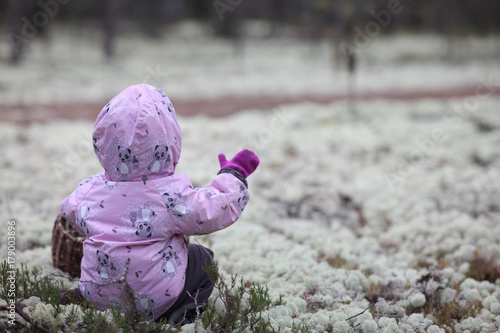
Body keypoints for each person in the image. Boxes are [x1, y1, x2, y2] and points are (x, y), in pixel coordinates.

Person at [60, 84, 259, 324]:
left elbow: (68, 210)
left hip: (98, 297)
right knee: (203, 258)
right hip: (155, 302)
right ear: (169, 140)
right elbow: (213, 209)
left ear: (103, 141)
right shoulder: (169, 196)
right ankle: (180, 317)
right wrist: (233, 176)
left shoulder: (89, 189)